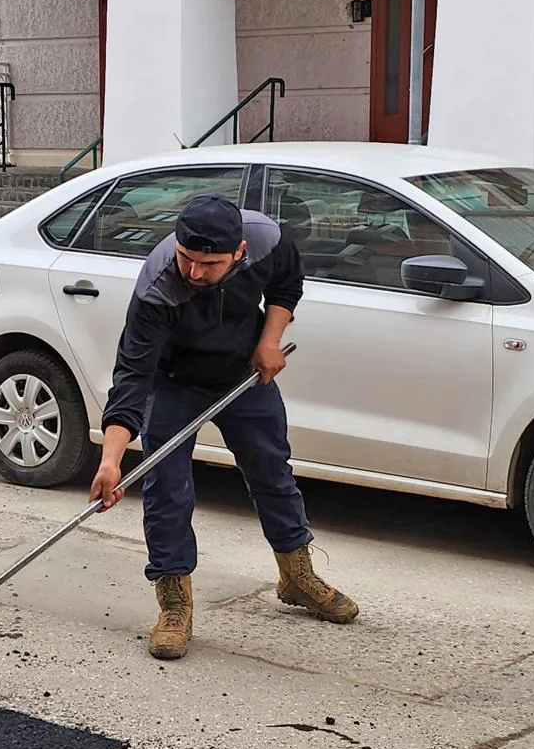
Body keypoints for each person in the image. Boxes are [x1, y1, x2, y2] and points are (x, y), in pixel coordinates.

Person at [88, 193, 358, 660]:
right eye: (186, 258)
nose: (194, 273)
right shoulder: (158, 287)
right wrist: (111, 461)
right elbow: (131, 379)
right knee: (168, 488)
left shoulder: (268, 239)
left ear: (239, 253)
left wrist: (270, 340)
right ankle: (174, 602)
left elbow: (286, 284)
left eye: (208, 264)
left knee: (272, 471)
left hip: (242, 373)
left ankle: (296, 576)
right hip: (173, 383)